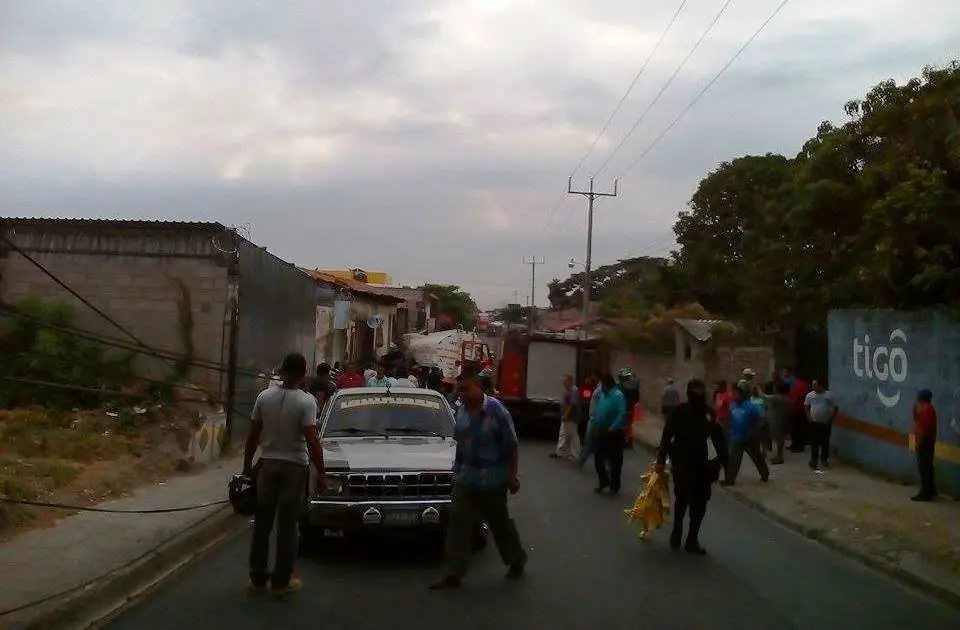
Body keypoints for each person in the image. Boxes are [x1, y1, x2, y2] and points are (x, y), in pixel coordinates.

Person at [430, 367, 527, 590]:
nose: (461, 393)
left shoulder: (497, 411)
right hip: (467, 479)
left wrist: (512, 476)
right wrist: (456, 471)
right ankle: (454, 573)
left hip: (493, 479)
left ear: (479, 385)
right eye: (459, 389)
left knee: (498, 522)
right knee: (458, 521)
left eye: (465, 388)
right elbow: (461, 445)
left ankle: (516, 558)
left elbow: (511, 445)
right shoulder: (461, 411)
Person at [244, 353, 326, 595]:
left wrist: (247, 465)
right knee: (288, 525)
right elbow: (312, 440)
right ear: (303, 374)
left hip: (267, 465)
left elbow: (252, 435)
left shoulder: (264, 397)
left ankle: (258, 578)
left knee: (262, 523)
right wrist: (321, 472)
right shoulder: (306, 401)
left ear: (282, 371)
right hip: (294, 467)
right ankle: (281, 581)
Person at [655, 379, 727, 555]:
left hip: (703, 465)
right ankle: (677, 529)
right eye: (695, 390)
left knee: (700, 502)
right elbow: (667, 436)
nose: (699, 394)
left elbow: (717, 437)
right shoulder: (679, 412)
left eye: (701, 390)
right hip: (682, 463)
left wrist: (723, 460)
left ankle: (692, 538)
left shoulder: (708, 413)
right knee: (682, 499)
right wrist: (661, 459)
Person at [723, 383, 769, 485]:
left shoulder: (751, 407)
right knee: (734, 460)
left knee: (757, 458)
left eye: (736, 394)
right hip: (736, 437)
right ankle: (730, 480)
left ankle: (765, 474)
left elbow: (756, 422)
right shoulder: (732, 406)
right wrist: (728, 432)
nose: (734, 396)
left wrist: (752, 434)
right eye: (733, 394)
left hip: (750, 438)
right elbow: (729, 420)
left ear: (742, 395)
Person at [592, 373, 628, 494]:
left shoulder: (617, 395)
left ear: (606, 384)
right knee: (598, 457)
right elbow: (599, 410)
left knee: (615, 460)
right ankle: (603, 481)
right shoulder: (602, 395)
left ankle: (614, 486)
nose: (600, 386)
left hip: (614, 432)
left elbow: (622, 414)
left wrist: (612, 428)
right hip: (601, 429)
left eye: (602, 384)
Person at [804, 379, 838, 470]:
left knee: (825, 442)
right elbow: (806, 407)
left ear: (821, 386)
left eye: (815, 385)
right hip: (814, 422)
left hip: (825, 423)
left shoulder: (829, 395)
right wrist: (809, 418)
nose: (813, 387)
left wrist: (831, 419)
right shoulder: (810, 395)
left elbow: (835, 408)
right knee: (814, 442)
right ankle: (813, 460)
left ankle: (824, 459)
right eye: (813, 385)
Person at [912, 389, 938, 502]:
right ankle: (931, 490)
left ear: (921, 398)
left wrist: (919, 444)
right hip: (928, 442)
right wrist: (915, 412)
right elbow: (918, 421)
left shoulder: (926, 410)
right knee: (928, 467)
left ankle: (925, 494)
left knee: (924, 469)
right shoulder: (928, 409)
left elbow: (924, 429)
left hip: (925, 443)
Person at [551, 374, 581, 460]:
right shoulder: (568, 390)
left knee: (572, 435)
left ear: (570, 381)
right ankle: (560, 452)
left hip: (571, 417)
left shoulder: (574, 390)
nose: (564, 383)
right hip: (567, 417)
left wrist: (566, 415)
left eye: (565, 381)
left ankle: (575, 454)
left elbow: (571, 405)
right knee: (564, 434)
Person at [762, 381, 792, 464]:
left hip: (776, 421)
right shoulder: (787, 398)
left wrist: (758, 389)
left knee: (778, 439)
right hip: (783, 419)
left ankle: (779, 457)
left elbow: (764, 396)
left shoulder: (778, 398)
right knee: (780, 439)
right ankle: (779, 455)